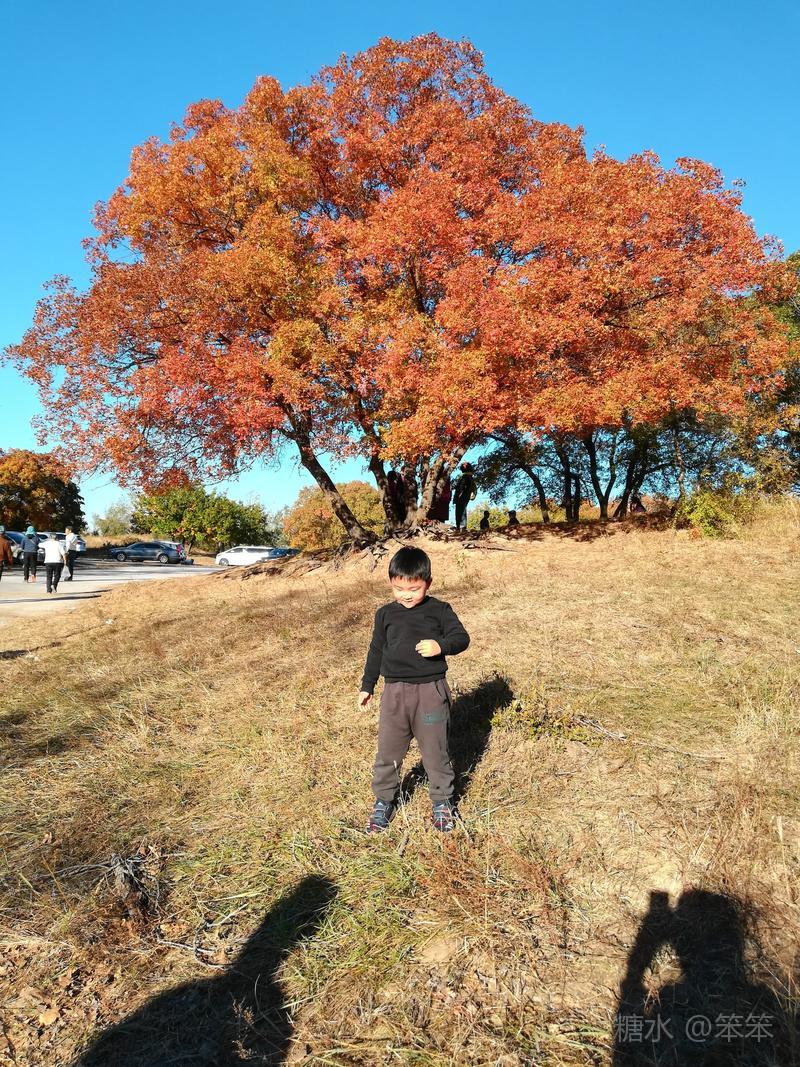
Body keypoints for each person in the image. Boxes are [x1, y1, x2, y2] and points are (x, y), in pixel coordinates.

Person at [359, 546, 470, 834]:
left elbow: (461, 638)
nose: (406, 595)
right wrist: (367, 685)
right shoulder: (385, 614)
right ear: (391, 583)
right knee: (388, 751)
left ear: (428, 583)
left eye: (414, 589)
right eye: (399, 589)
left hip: (431, 693)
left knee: (435, 750)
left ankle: (443, 801)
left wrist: (440, 646)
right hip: (394, 694)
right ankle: (384, 800)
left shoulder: (440, 610)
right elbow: (376, 650)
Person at [453, 462, 477, 530]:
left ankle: (461, 527)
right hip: (464, 496)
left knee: (461, 510)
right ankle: (460, 527)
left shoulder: (466, 477)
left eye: (465, 465)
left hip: (462, 496)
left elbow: (462, 487)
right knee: (461, 510)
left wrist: (459, 495)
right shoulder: (469, 477)